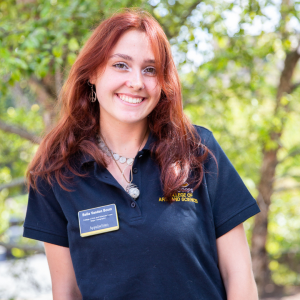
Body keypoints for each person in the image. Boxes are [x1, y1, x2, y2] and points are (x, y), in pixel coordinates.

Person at [23, 8, 260, 300]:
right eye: (121, 65)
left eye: (150, 69)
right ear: (93, 74)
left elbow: (239, 276)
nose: (136, 82)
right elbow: (67, 292)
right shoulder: (56, 172)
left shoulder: (197, 148)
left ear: (162, 83)